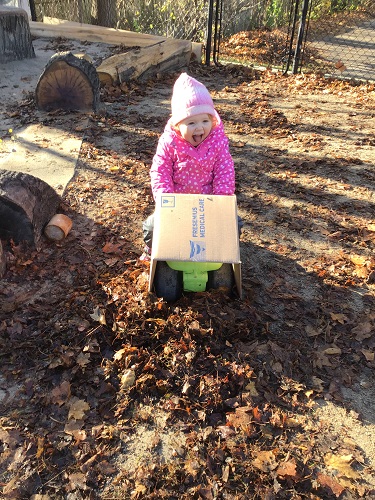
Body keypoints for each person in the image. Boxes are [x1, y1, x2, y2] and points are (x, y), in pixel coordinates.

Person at [140, 72, 237, 260]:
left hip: (207, 206)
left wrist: (220, 201)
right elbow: (160, 170)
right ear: (178, 125)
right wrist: (166, 199)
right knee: (151, 227)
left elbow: (225, 171)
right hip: (177, 207)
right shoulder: (170, 143)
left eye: (205, 121)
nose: (199, 128)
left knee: (235, 225)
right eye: (191, 123)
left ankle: (218, 254)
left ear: (213, 121)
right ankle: (157, 251)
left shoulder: (218, 142)